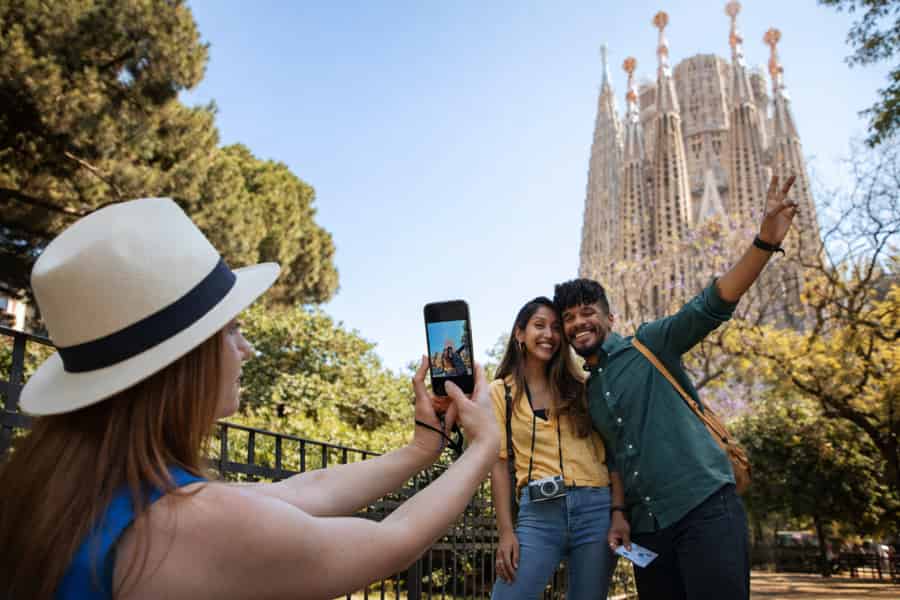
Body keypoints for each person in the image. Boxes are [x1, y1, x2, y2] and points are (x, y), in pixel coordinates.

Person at [0, 197, 500, 600]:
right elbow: (390, 543)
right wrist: (482, 448)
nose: (247, 348)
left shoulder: (70, 488)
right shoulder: (184, 524)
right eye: (231, 330)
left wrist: (422, 449)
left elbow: (310, 491)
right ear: (183, 362)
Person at [553, 175, 799, 600]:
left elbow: (711, 305)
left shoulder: (651, 343)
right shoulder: (589, 393)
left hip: (704, 506)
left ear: (609, 318)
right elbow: (613, 458)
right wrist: (618, 513)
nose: (579, 323)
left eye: (587, 313)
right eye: (569, 318)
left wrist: (763, 243)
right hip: (647, 527)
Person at [488, 297, 619, 600]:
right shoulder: (501, 392)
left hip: (596, 508)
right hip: (539, 513)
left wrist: (618, 510)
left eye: (556, 328)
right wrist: (506, 531)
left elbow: (613, 452)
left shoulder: (581, 387)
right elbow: (498, 464)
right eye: (539, 325)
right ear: (519, 333)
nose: (549, 334)